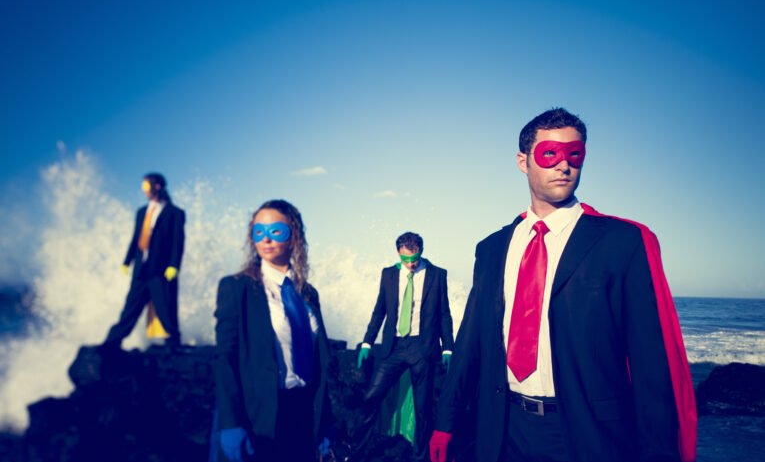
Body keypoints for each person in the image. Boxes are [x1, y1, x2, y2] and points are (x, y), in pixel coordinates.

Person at [430, 108, 697, 462]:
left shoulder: (624, 241)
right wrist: (445, 421)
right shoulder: (492, 248)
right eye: (550, 154)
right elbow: (470, 342)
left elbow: (651, 363)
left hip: (588, 436)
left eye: (575, 155)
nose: (564, 165)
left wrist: (661, 453)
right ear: (523, 161)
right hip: (502, 427)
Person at [214, 199, 331, 462]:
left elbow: (319, 363)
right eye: (258, 231)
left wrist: (325, 420)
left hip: (303, 414)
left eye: (276, 230)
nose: (266, 239)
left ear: (294, 237)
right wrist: (230, 423)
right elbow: (225, 358)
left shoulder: (308, 294)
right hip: (259, 415)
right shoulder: (237, 288)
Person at [355, 232, 454, 462]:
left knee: (423, 408)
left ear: (421, 251)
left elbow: (444, 314)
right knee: (371, 397)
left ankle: (420, 456)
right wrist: (368, 341)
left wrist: (448, 347)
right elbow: (379, 309)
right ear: (398, 253)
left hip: (423, 348)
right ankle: (356, 449)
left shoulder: (437, 275)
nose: (410, 264)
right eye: (405, 259)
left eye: (414, 259)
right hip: (394, 347)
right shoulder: (388, 274)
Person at [104, 173, 185, 347]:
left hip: (161, 271)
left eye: (146, 187)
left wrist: (173, 265)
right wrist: (127, 261)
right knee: (130, 309)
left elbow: (178, 242)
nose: (143, 191)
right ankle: (112, 342)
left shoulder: (175, 213)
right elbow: (136, 238)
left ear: (157, 187)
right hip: (141, 271)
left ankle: (173, 344)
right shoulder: (142, 212)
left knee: (166, 309)